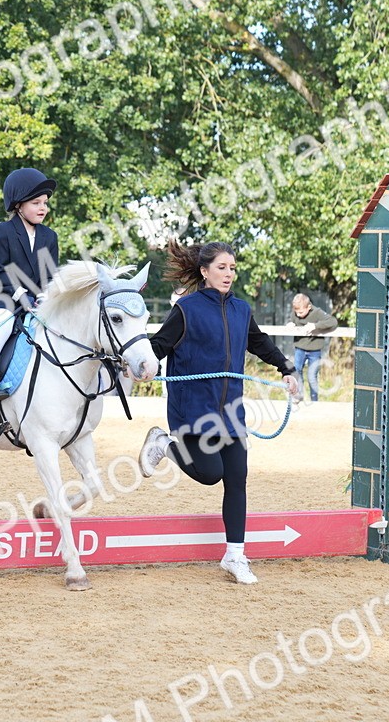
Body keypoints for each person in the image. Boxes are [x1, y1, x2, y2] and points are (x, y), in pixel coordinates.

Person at [138, 241, 300, 584]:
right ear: (204, 271)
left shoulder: (241, 309)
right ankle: (163, 445)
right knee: (211, 473)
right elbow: (159, 345)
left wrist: (286, 367)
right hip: (194, 410)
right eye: (222, 267)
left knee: (237, 478)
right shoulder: (187, 309)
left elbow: (259, 343)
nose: (228, 274)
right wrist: (145, 364)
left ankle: (235, 556)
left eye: (232, 268)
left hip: (230, 412)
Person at [0, 167, 60, 402]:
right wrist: (21, 294)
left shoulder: (49, 237)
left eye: (45, 203)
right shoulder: (2, 231)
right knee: (6, 324)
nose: (43, 208)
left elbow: (49, 275)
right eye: (36, 203)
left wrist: (45, 296)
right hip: (5, 296)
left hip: (37, 301)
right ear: (18, 204)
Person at [286, 292, 337, 405]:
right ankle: (298, 396)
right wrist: (290, 323)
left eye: (301, 312)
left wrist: (315, 326)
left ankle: (314, 400)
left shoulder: (317, 312)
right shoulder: (296, 312)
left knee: (312, 375)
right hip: (300, 347)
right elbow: (291, 319)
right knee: (297, 371)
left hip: (314, 349)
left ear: (308, 307)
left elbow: (333, 322)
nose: (298, 315)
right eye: (296, 312)